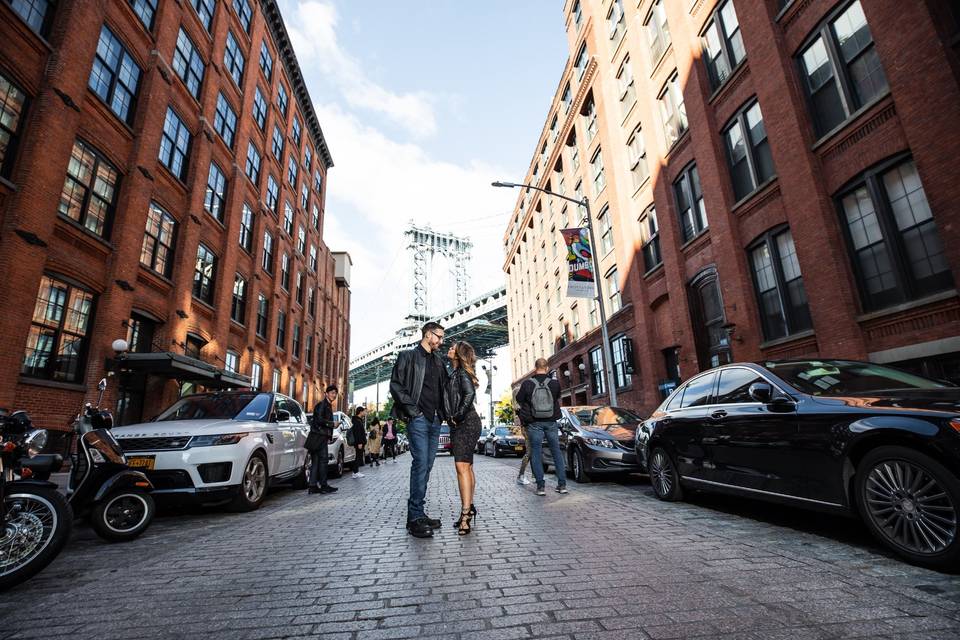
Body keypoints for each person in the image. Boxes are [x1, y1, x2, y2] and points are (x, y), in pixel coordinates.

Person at [389, 321, 449, 538]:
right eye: (439, 337)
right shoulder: (407, 356)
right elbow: (396, 385)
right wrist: (414, 411)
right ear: (427, 334)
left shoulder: (439, 362)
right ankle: (415, 517)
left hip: (435, 421)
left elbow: (445, 390)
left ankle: (417, 513)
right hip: (419, 420)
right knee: (421, 463)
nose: (441, 341)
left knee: (428, 465)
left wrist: (443, 415)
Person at [443, 341, 482, 535]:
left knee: (461, 467)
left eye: (452, 348)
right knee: (467, 466)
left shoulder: (462, 374)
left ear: (458, 354)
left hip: (466, 423)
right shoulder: (454, 373)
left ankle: (465, 514)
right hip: (462, 423)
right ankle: (470, 506)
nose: (449, 350)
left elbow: (468, 395)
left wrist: (456, 416)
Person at [516, 358, 567, 496]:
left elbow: (519, 399)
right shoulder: (555, 383)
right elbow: (557, 397)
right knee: (556, 452)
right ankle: (562, 485)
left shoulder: (527, 384)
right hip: (551, 422)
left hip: (534, 423)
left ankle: (540, 487)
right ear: (547, 367)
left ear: (535, 367)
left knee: (536, 453)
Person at [307, 385, 340, 494]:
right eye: (331, 393)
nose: (334, 395)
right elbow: (319, 420)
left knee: (316, 462)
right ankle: (324, 486)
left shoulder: (327, 405)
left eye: (335, 393)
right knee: (323, 461)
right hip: (319, 437)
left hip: (318, 437)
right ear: (326, 393)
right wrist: (332, 424)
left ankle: (312, 486)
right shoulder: (322, 405)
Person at [350, 406, 368, 478]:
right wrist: (359, 443)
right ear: (360, 412)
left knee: (358, 456)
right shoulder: (357, 421)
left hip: (360, 442)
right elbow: (357, 433)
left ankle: (356, 472)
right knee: (358, 456)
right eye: (364, 411)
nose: (365, 413)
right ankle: (355, 472)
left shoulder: (358, 420)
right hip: (359, 443)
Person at [516, 418, 532, 486]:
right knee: (529, 453)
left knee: (533, 453)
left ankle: (535, 476)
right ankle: (520, 475)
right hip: (527, 427)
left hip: (531, 427)